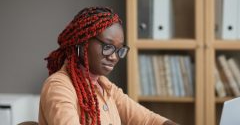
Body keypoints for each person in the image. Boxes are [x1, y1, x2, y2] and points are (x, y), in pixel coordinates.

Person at [39, 7, 177, 125]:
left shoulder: (104, 86)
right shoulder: (59, 86)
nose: (114, 57)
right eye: (107, 46)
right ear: (81, 42)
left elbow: (148, 120)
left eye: (119, 50)